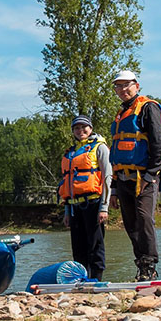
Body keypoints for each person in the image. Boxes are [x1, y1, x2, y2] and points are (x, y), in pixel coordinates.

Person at [108, 70, 161, 281]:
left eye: (127, 85)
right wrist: (113, 188)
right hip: (122, 178)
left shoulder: (148, 108)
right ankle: (141, 266)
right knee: (131, 223)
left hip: (143, 177)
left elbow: (160, 144)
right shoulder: (121, 113)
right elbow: (117, 153)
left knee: (144, 220)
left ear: (137, 85)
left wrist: (151, 175)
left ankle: (150, 266)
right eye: (118, 86)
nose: (123, 90)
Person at [58, 115, 111, 280]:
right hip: (74, 207)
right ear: (73, 131)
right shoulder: (71, 153)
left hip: (94, 203)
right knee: (78, 247)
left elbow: (107, 177)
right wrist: (67, 211)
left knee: (95, 244)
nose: (81, 131)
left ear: (90, 128)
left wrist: (104, 207)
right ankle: (81, 278)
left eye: (84, 127)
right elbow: (68, 184)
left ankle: (96, 278)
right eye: (77, 128)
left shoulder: (99, 148)